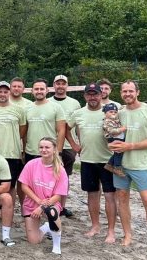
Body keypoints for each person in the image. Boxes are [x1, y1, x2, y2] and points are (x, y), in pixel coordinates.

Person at [110, 80, 147, 253]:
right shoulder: (118, 113)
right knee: (123, 199)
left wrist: (130, 146)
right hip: (120, 164)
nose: (127, 94)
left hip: (141, 164)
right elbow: (110, 133)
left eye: (130, 91)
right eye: (124, 91)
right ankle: (127, 235)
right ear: (120, 94)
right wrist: (111, 143)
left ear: (138, 92)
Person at [69, 83, 118, 243]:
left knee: (110, 196)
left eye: (95, 94)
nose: (92, 97)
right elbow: (64, 127)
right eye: (89, 94)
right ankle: (95, 226)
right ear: (85, 96)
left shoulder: (110, 111)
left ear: (101, 94)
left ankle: (111, 231)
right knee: (92, 194)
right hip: (88, 160)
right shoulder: (78, 113)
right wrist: (74, 145)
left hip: (108, 160)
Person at [18, 137, 68, 255]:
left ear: (54, 149)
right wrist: (38, 201)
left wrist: (42, 207)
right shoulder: (31, 164)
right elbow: (24, 186)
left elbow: (59, 196)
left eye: (47, 147)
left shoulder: (60, 169)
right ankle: (47, 227)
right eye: (41, 147)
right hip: (32, 203)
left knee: (52, 212)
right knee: (34, 241)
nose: (44, 150)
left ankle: (56, 246)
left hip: (51, 203)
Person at [50, 74, 82, 218]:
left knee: (64, 178)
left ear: (67, 86)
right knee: (47, 177)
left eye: (63, 83)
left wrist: (78, 144)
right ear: (54, 85)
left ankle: (61, 207)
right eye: (58, 83)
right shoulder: (47, 102)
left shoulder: (74, 103)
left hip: (68, 147)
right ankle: (48, 204)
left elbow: (78, 126)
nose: (60, 86)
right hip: (49, 146)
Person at [24, 79, 66, 162]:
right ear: (32, 91)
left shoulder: (56, 107)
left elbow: (61, 131)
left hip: (49, 152)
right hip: (31, 152)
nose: (39, 91)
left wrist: (58, 152)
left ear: (47, 91)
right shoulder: (26, 108)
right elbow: (24, 132)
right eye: (36, 89)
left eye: (42, 89)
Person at [102, 103, 127, 176]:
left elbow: (120, 109)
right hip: (113, 138)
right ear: (105, 113)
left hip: (119, 138)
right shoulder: (107, 122)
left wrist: (124, 106)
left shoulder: (114, 120)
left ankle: (109, 165)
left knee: (118, 152)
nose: (113, 113)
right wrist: (122, 129)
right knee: (119, 153)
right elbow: (112, 131)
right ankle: (117, 168)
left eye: (115, 112)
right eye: (111, 112)